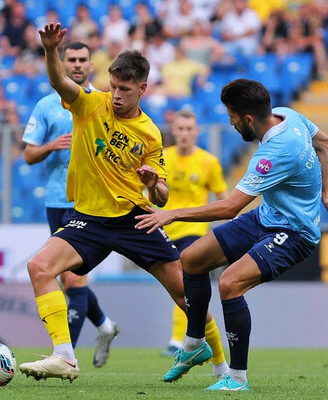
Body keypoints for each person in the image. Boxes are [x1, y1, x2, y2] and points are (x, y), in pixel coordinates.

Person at [18, 22, 222, 382]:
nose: (115, 94)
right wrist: (50, 50)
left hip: (133, 219)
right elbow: (60, 82)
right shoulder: (89, 104)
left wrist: (152, 184)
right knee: (40, 267)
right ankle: (65, 356)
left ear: (142, 89)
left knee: (184, 293)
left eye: (124, 89)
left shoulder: (150, 133)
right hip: (88, 219)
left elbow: (162, 196)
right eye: (112, 86)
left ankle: (223, 368)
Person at [135, 78, 328, 391]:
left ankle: (236, 377)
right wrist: (327, 195)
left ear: (248, 119)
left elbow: (230, 207)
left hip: (294, 232)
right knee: (191, 259)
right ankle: (194, 343)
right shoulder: (289, 115)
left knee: (230, 283)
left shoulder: (274, 153)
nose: (231, 123)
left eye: (232, 117)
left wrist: (172, 213)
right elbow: (327, 144)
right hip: (267, 216)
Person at [22, 41, 119, 369]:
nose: (77, 64)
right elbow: (28, 155)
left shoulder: (103, 103)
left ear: (91, 65)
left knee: (75, 280)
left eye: (82, 60)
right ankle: (104, 325)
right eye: (71, 60)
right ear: (62, 64)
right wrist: (51, 146)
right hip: (56, 200)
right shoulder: (47, 106)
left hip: (89, 203)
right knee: (67, 279)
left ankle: (66, 356)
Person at [160, 110, 229, 380]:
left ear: (197, 132)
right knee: (179, 288)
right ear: (173, 131)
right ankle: (196, 346)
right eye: (180, 128)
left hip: (194, 231)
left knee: (185, 282)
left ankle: (179, 340)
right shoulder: (163, 157)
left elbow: (224, 199)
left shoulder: (208, 162)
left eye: (189, 128)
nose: (185, 133)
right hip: (166, 230)